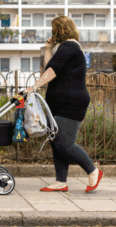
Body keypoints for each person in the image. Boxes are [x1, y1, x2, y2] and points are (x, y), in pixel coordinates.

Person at [24, 16, 102, 193]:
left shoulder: (69, 46)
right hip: (59, 103)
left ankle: (93, 170)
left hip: (71, 103)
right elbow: (49, 68)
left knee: (63, 142)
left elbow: (53, 71)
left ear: (59, 30)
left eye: (53, 29)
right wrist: (48, 49)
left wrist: (33, 87)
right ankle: (61, 181)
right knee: (55, 141)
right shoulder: (63, 48)